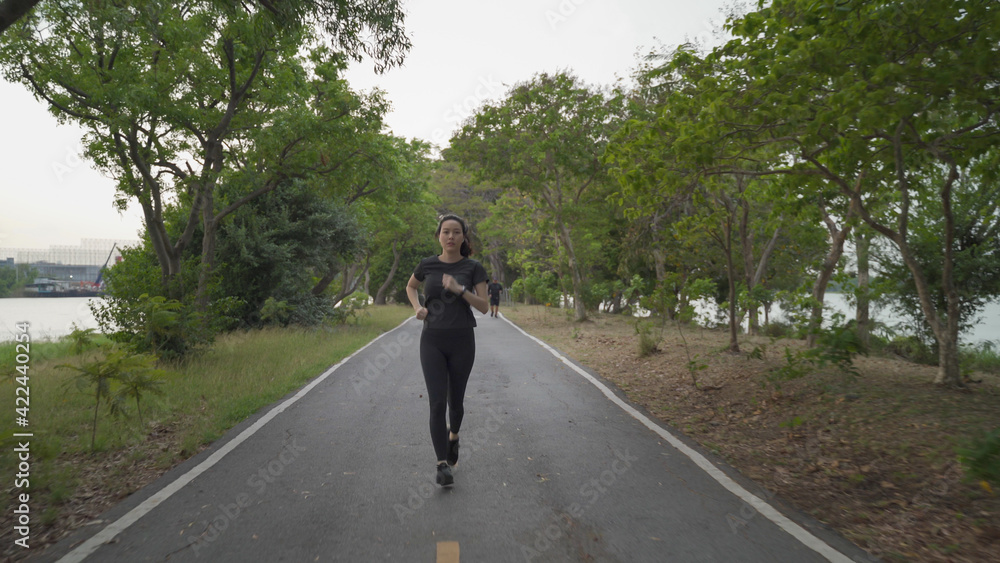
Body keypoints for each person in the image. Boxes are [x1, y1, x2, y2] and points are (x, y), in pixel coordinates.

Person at [406, 214, 489, 486]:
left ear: (464, 237)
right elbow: (411, 286)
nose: (450, 236)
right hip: (432, 340)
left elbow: (484, 306)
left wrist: (459, 288)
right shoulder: (427, 265)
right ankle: (442, 464)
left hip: (463, 341)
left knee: (456, 403)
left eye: (456, 232)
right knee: (437, 402)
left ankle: (454, 437)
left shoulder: (473, 267)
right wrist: (417, 307)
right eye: (445, 232)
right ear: (438, 236)